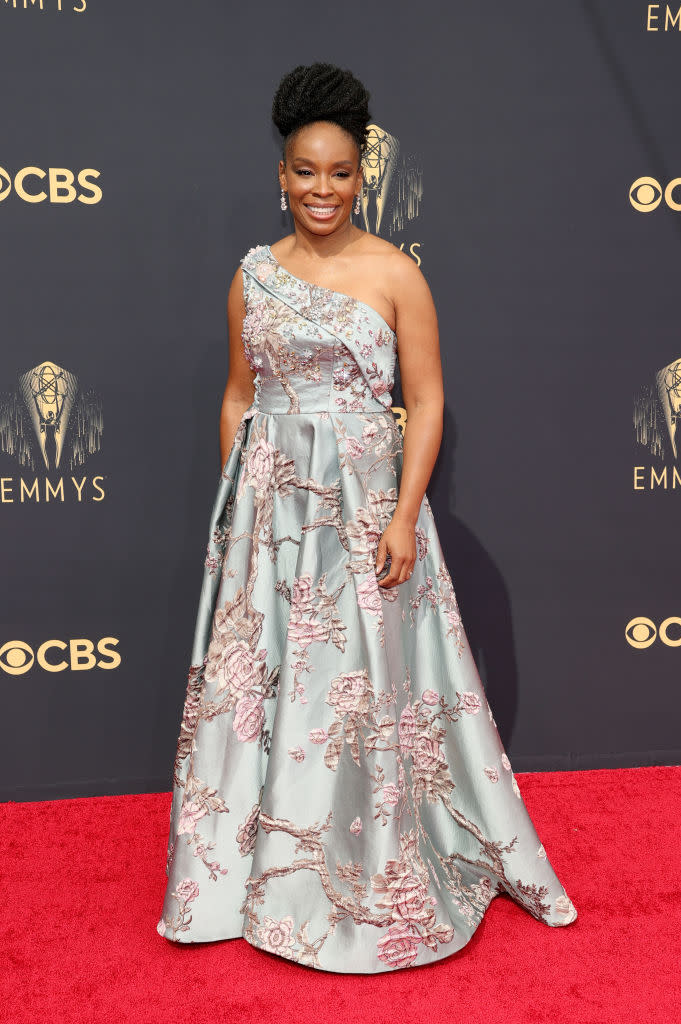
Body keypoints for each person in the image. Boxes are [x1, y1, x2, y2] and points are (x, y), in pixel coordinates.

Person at [156, 62, 577, 973]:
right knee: (269, 692)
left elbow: (423, 403)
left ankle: (357, 872)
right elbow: (240, 394)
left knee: (353, 693)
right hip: (271, 521)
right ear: (281, 173)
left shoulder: (395, 274)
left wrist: (399, 512)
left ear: (363, 175)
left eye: (340, 173)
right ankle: (242, 878)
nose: (322, 189)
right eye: (306, 171)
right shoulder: (253, 277)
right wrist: (243, 502)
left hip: (363, 510)